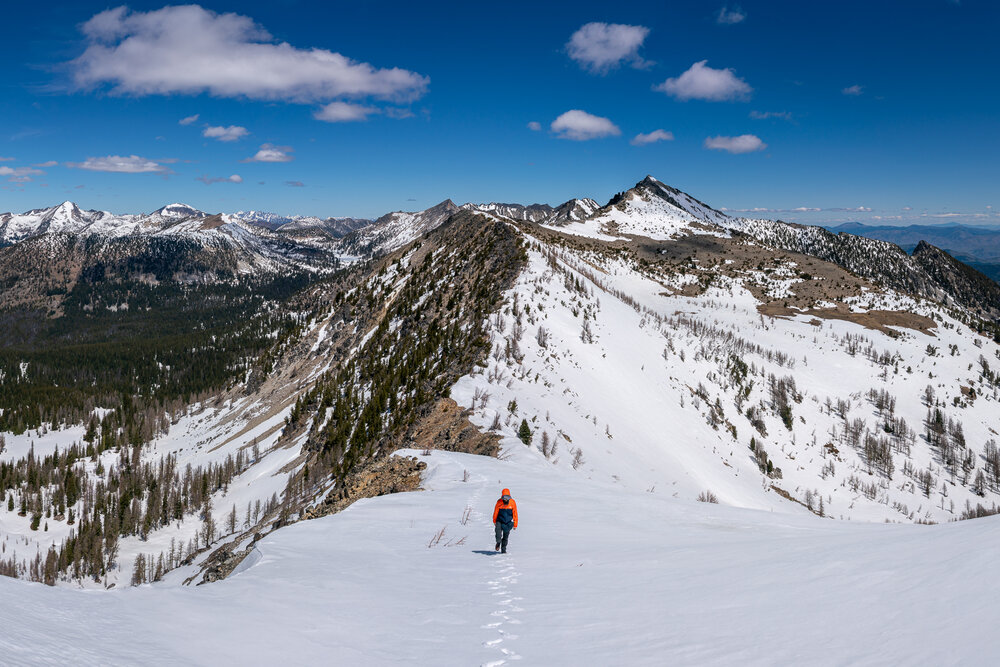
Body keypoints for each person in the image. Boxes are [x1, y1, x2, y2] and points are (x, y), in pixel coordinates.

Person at [492, 488, 518, 554]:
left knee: (505, 537)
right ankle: (498, 542)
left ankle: (503, 550)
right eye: (504, 498)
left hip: (508, 522)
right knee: (498, 533)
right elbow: (496, 512)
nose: (505, 499)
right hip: (499, 521)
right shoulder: (499, 502)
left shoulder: (512, 502)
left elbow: (515, 513)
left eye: (507, 498)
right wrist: (494, 521)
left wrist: (515, 524)